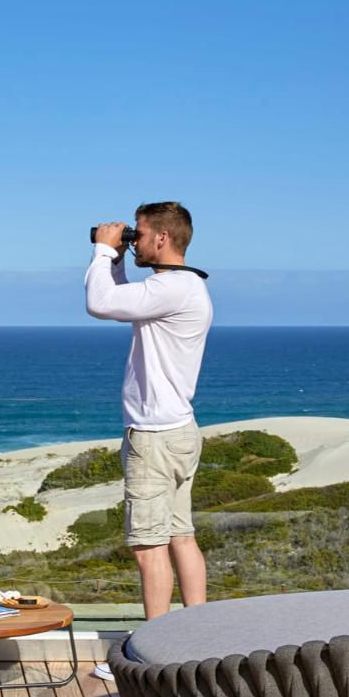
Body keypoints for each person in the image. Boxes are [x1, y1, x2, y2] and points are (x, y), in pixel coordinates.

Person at [85, 202, 213, 654]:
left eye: (137, 234)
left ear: (162, 238)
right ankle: (197, 636)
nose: (132, 240)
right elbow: (122, 303)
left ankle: (153, 653)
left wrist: (103, 253)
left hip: (155, 437)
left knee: (148, 545)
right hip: (178, 429)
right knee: (180, 535)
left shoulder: (171, 288)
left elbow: (99, 303)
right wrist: (118, 259)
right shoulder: (184, 287)